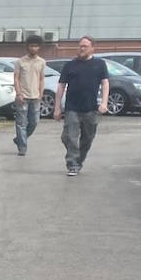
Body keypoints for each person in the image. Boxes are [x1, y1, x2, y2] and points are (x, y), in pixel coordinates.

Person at [54, 36, 109, 176]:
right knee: (69, 137)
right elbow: (61, 86)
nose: (81, 48)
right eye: (80, 46)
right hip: (72, 108)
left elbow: (105, 83)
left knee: (88, 138)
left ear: (92, 48)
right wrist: (57, 107)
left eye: (85, 46)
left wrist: (104, 102)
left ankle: (78, 160)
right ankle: (72, 164)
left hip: (91, 108)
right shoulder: (70, 65)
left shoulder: (99, 64)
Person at [12, 35, 46, 156]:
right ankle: (22, 147)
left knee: (34, 122)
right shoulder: (20, 62)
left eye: (36, 46)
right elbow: (16, 78)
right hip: (23, 96)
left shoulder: (41, 62)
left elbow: (41, 79)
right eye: (31, 46)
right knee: (21, 122)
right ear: (27, 47)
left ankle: (20, 139)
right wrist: (18, 93)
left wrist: (41, 93)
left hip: (35, 96)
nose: (33, 48)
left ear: (39, 47)